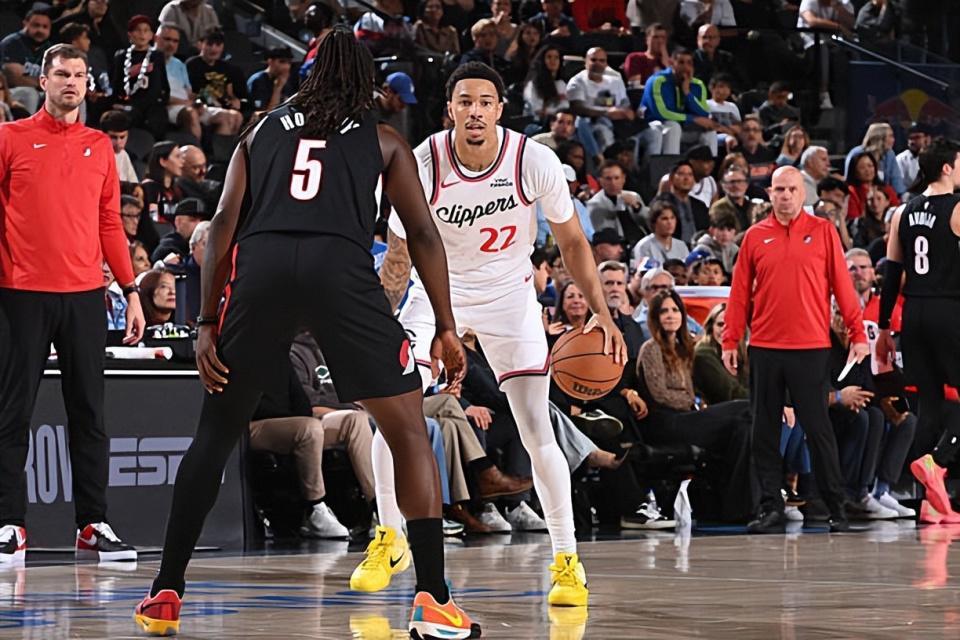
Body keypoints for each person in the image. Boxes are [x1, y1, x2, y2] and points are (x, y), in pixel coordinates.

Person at [133, 27, 480, 639]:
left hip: (262, 269)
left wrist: (207, 321)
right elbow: (424, 234)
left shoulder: (259, 130)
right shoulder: (383, 139)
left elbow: (222, 224)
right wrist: (446, 326)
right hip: (338, 268)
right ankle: (433, 600)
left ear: (308, 73)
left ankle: (165, 590)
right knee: (407, 431)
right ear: (366, 81)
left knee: (215, 433)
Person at [373, 62, 628, 609]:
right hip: (436, 292)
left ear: (499, 110)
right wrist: (378, 319)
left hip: (509, 298)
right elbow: (397, 254)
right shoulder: (422, 162)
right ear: (450, 110)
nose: (475, 111)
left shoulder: (533, 160)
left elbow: (573, 242)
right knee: (392, 408)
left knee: (537, 428)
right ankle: (389, 535)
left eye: (485, 102)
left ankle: (567, 562)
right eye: (465, 102)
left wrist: (602, 313)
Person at [0, 44, 145, 567]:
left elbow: (109, 222)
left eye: (79, 75)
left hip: (85, 295)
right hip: (20, 293)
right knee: (11, 412)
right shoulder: (9, 138)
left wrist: (130, 290)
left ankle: (92, 524)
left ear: (88, 84)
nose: (71, 82)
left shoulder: (99, 146)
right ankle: (9, 525)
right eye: (61, 74)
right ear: (42, 81)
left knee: (89, 413)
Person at [723, 166, 869, 534]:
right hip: (765, 347)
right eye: (778, 190)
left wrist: (858, 333)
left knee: (818, 429)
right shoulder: (754, 237)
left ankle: (836, 506)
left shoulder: (823, 231)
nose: (785, 195)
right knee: (764, 431)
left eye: (791, 189)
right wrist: (730, 339)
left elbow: (842, 286)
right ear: (769, 194)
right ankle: (770, 506)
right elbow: (739, 293)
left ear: (803, 193)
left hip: (811, 347)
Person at [876, 137, 960, 524]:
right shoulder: (957, 207)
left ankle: (929, 503)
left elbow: (891, 274)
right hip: (948, 310)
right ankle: (937, 462)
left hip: (913, 314)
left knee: (929, 406)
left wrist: (883, 326)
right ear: (947, 167)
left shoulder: (902, 212)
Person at [639, 290, 754, 521]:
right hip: (665, 422)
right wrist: (689, 401)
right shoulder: (651, 348)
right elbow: (659, 395)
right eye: (664, 311)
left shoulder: (684, 349)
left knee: (745, 428)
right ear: (655, 317)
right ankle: (739, 505)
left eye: (675, 310)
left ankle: (738, 508)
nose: (670, 315)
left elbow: (691, 393)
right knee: (747, 408)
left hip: (687, 418)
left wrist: (691, 400)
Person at [640, 47, 718, 156]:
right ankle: (671, 165)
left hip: (684, 127)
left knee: (710, 131)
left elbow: (703, 114)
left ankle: (709, 164)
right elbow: (661, 113)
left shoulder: (697, 85)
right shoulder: (658, 81)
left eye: (689, 63)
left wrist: (687, 92)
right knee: (673, 126)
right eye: (681, 62)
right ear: (672, 63)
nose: (685, 67)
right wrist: (692, 118)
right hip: (655, 125)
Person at [111, 16, 169, 137]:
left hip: (152, 105)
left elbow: (163, 84)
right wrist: (117, 102)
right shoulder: (121, 56)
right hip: (129, 103)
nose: (142, 34)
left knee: (157, 120)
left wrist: (162, 101)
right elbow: (116, 84)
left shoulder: (157, 56)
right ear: (130, 34)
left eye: (146, 30)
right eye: (138, 30)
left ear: (151, 35)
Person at [693, 303, 748, 405]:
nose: (725, 330)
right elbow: (730, 394)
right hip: (717, 410)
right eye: (720, 324)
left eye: (731, 324)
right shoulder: (703, 354)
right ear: (711, 328)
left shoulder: (743, 352)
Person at [0, 8, 52, 114]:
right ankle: (27, 125)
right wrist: (42, 83)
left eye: (45, 27)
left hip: (39, 91)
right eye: (36, 25)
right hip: (8, 92)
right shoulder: (12, 43)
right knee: (29, 93)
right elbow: (13, 77)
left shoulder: (49, 48)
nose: (40, 30)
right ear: (25, 24)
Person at [633, 200, 690, 266]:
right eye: (664, 219)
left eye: (672, 218)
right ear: (654, 222)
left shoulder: (681, 246)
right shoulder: (644, 246)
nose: (670, 222)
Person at [247, 46, 296, 113]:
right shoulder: (258, 80)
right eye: (282, 61)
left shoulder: (285, 80)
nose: (286, 66)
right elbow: (263, 113)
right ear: (270, 61)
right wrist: (278, 88)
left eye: (289, 63)